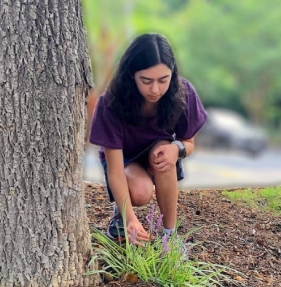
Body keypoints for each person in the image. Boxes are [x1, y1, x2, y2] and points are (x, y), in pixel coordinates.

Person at [89, 33, 208, 242]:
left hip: (158, 153)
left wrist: (176, 149)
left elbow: (189, 143)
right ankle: (120, 216)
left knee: (163, 150)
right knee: (141, 193)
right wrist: (130, 219)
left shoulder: (183, 93)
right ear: (131, 75)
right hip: (123, 160)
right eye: (146, 81)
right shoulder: (111, 103)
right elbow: (115, 171)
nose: (155, 89)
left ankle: (169, 236)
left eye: (163, 80)